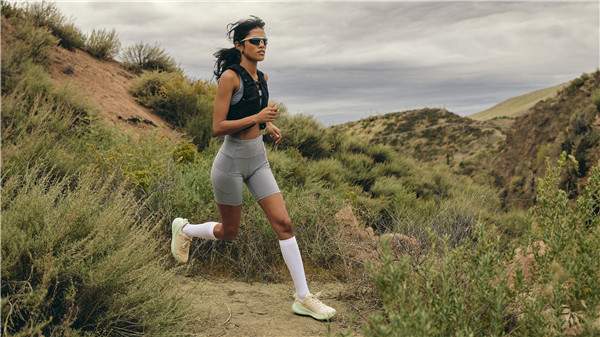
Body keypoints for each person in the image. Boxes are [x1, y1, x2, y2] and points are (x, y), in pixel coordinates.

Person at [170, 15, 337, 321]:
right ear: (240, 45)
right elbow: (218, 127)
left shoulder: (263, 79)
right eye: (255, 41)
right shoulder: (229, 78)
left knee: (284, 224)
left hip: (258, 160)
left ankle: (303, 297)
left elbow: (250, 113)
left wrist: (267, 124)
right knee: (229, 231)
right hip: (230, 164)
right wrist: (258, 116)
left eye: (265, 42)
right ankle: (186, 229)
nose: (262, 46)